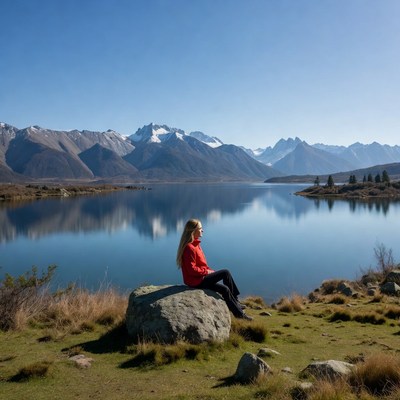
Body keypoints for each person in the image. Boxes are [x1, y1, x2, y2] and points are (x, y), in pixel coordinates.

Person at [176, 218, 252, 320]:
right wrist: (207, 272)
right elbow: (191, 270)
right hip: (196, 281)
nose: (202, 230)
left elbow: (202, 265)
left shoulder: (196, 245)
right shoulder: (189, 248)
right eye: (200, 228)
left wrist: (210, 272)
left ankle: (239, 314)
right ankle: (237, 302)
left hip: (200, 278)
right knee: (225, 272)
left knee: (225, 289)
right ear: (193, 231)